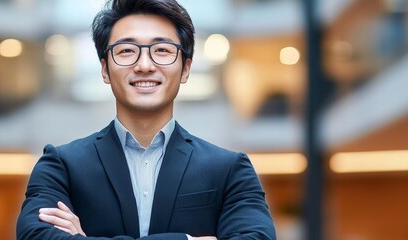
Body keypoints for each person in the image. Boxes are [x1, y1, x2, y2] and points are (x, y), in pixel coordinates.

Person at [16, 0, 276, 239]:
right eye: (127, 50)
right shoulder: (61, 166)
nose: (144, 65)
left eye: (162, 50)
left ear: (185, 68)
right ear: (105, 69)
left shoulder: (229, 170)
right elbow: (34, 235)